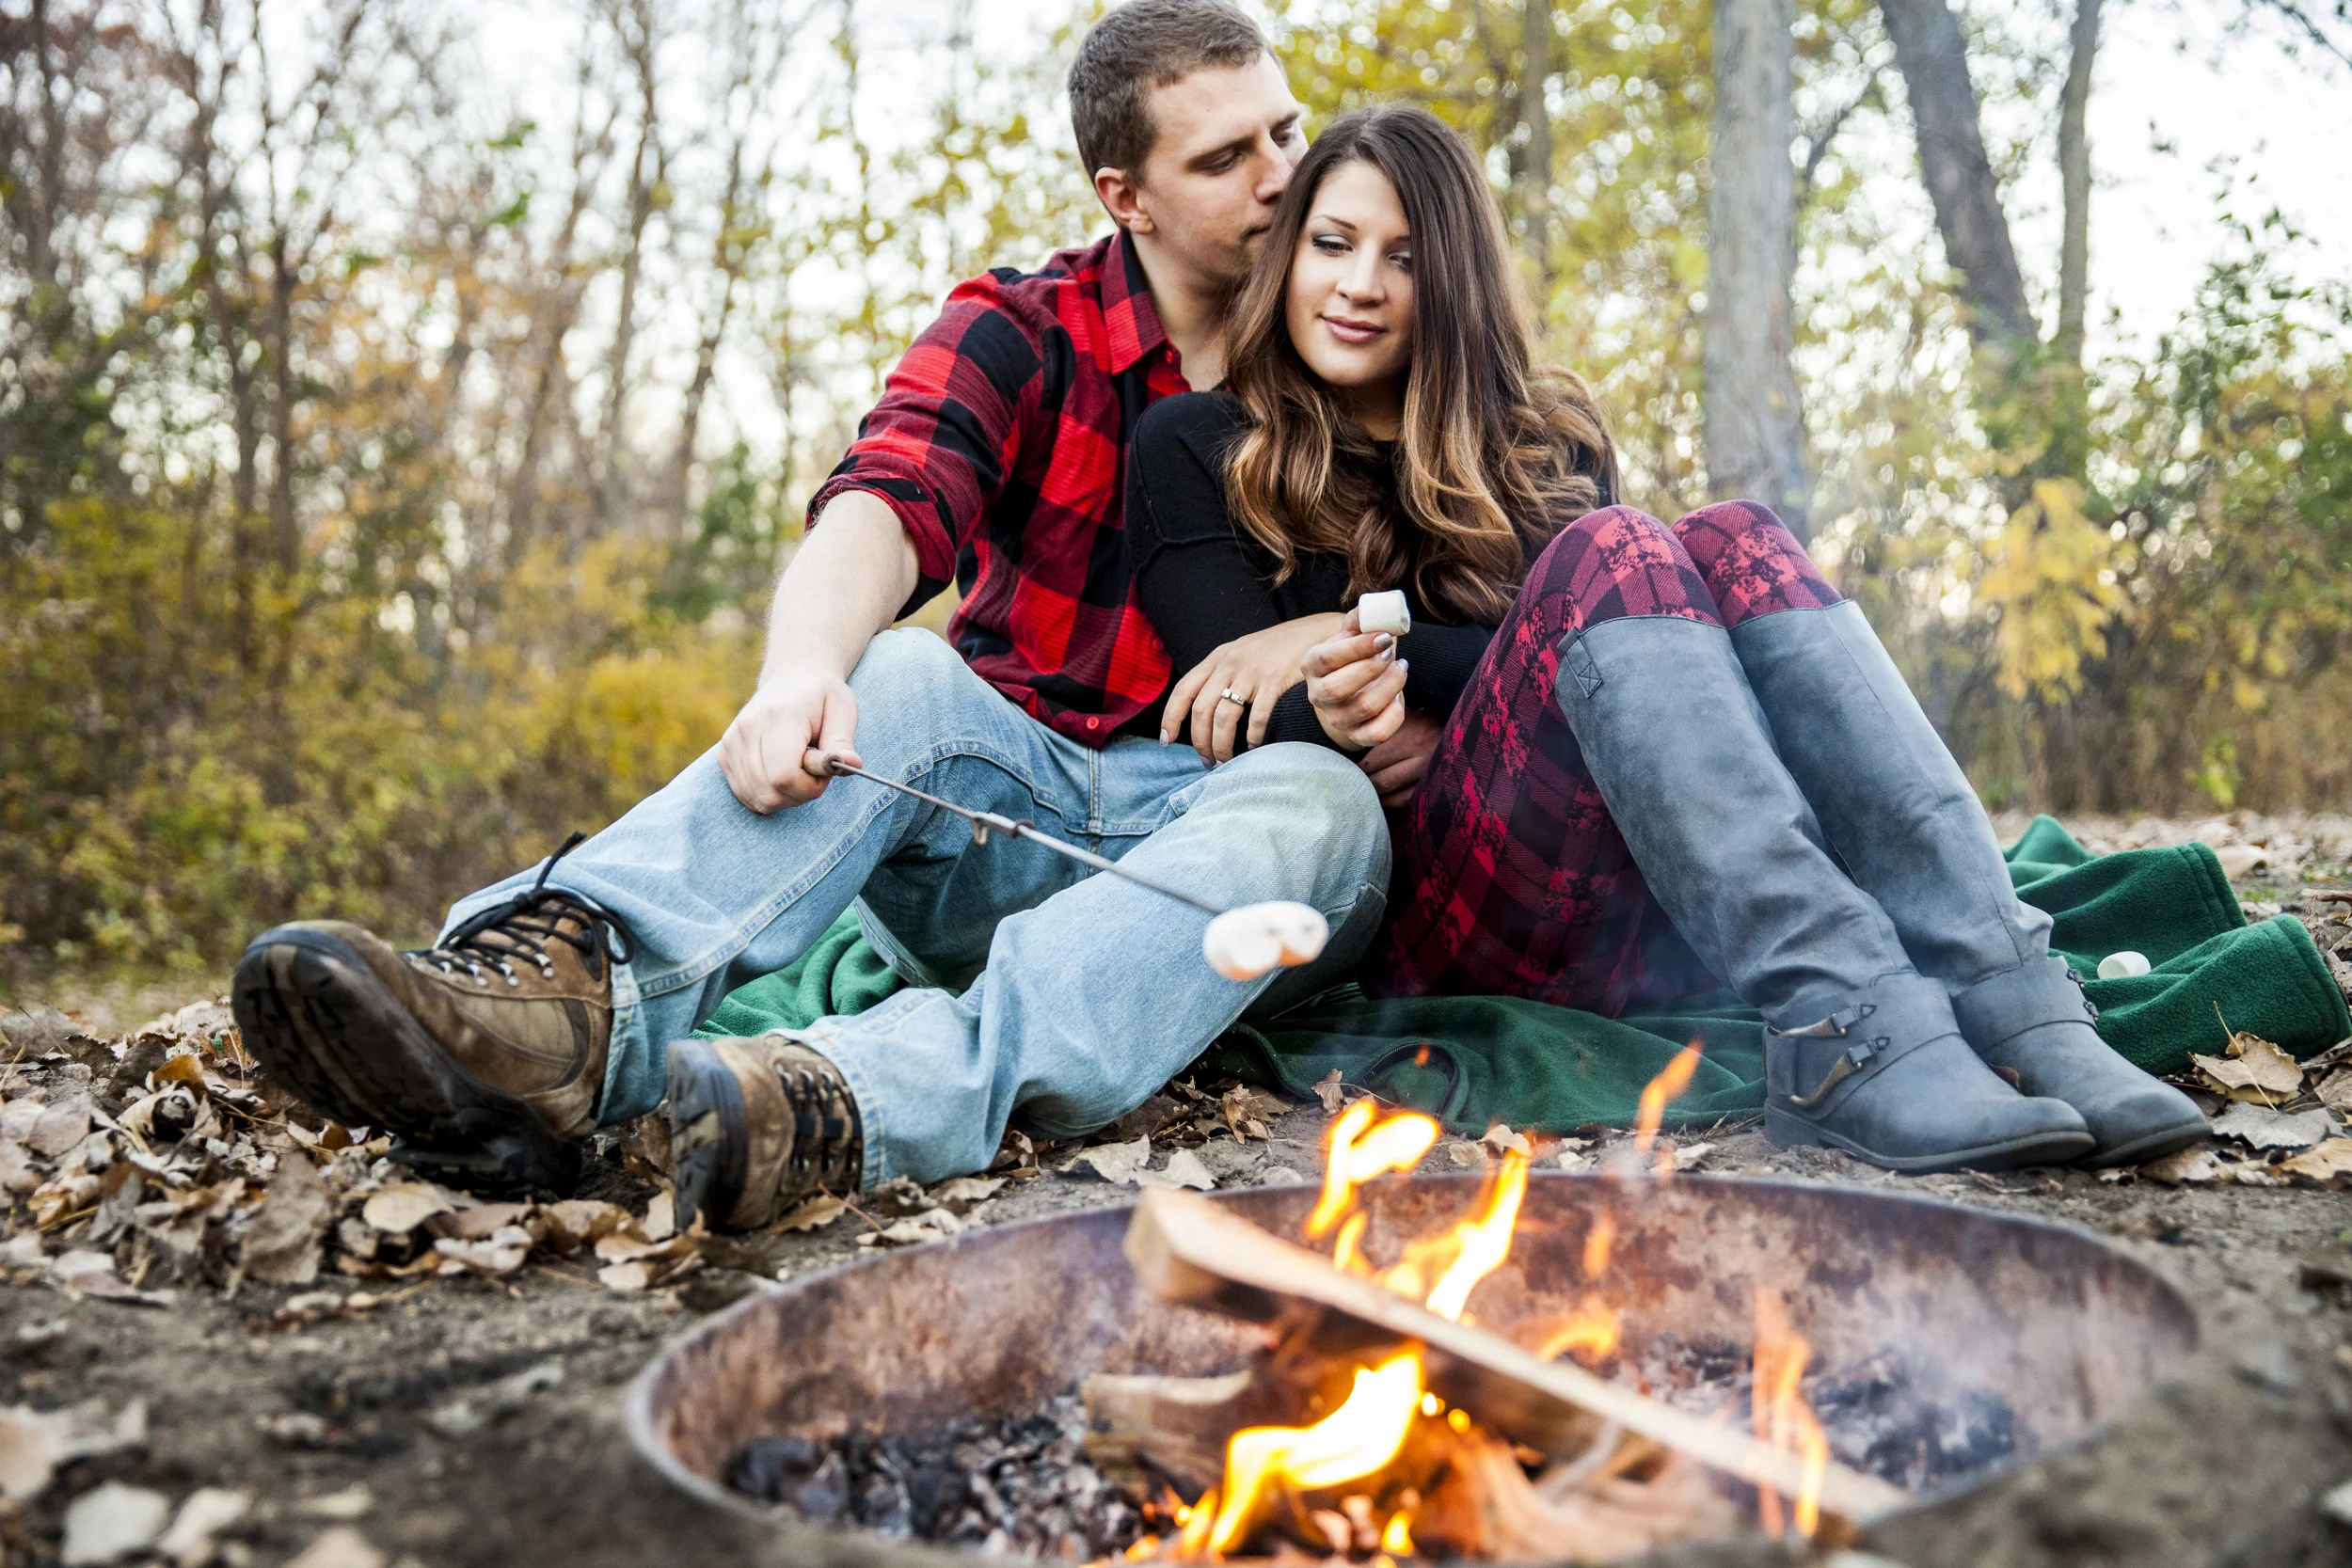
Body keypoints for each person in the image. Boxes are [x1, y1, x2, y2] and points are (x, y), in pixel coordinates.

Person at [229, 0, 1399, 1232]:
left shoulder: (1359, 325)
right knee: (893, 671)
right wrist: (798, 671)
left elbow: (1475, 569)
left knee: (1323, 797)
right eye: (1225, 159)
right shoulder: (1025, 329)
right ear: (1127, 197)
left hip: (1234, 863)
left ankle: (839, 1098)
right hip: (1018, 818)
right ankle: (553, 997)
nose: (1283, 177)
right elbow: (893, 493)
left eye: (1286, 130)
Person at [1124, 103, 2205, 1172]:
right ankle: (1844, 1033)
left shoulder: (1546, 441)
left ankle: (2018, 1004)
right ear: (1288, 255)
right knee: (1615, 560)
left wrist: (1366, 643)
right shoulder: (1198, 446)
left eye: (1402, 257)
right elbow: (1242, 720)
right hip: (1443, 918)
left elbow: (1630, 657)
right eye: (1332, 243)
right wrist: (1460, 679)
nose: (1359, 283)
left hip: (1646, 903)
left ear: (1449, 283)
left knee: (1729, 536)